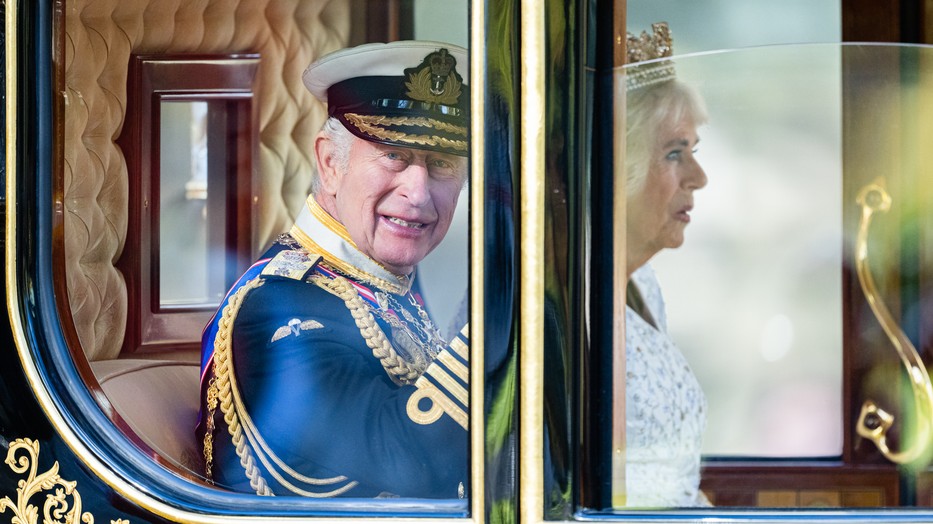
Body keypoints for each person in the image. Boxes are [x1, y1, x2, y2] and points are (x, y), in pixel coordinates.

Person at [195, 40, 470, 499]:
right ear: (330, 163)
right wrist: (509, 312)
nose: (418, 193)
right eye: (394, 155)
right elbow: (409, 462)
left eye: (441, 163)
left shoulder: (377, 282)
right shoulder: (276, 305)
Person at [622, 23, 711, 508]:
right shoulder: (561, 299)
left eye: (693, 152)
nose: (699, 177)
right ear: (620, 165)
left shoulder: (643, 284)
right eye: (675, 153)